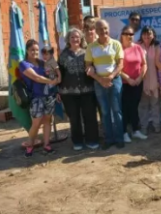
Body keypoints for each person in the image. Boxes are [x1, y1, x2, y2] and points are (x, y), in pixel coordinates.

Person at [85, 19, 125, 150]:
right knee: (105, 112)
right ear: (96, 31)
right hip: (99, 82)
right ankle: (109, 139)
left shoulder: (116, 44)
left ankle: (119, 138)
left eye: (105, 28)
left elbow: (120, 64)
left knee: (117, 110)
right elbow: (88, 67)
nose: (103, 31)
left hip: (115, 81)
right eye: (100, 29)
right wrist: (100, 79)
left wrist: (111, 77)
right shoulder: (91, 47)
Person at [58, 28, 99, 151]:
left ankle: (92, 140)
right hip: (68, 93)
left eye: (77, 37)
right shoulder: (63, 55)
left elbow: (93, 68)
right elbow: (59, 74)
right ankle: (77, 141)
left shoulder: (87, 52)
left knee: (90, 116)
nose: (75, 39)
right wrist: (57, 90)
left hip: (88, 91)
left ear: (81, 39)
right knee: (74, 118)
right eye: (72, 37)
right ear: (68, 40)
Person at [19, 39, 58, 157]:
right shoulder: (24, 64)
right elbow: (36, 78)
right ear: (27, 50)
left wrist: (56, 74)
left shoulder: (42, 62)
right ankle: (30, 146)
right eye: (32, 50)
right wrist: (52, 81)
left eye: (36, 50)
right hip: (36, 97)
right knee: (36, 123)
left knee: (47, 121)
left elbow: (53, 73)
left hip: (48, 96)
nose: (35, 52)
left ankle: (46, 145)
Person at [119, 25, 148, 142]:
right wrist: (128, 79)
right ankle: (124, 132)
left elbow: (144, 64)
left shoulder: (138, 48)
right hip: (124, 83)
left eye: (131, 34)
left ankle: (135, 130)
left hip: (137, 83)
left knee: (134, 107)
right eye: (126, 34)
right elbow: (116, 67)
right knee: (125, 108)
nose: (129, 36)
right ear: (122, 35)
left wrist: (140, 78)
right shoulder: (118, 48)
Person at [138, 26, 161, 134]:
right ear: (142, 35)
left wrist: (158, 81)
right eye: (145, 34)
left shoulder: (157, 46)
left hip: (155, 79)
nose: (147, 36)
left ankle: (157, 125)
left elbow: (159, 65)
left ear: (153, 35)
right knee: (143, 105)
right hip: (141, 80)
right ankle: (144, 127)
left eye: (149, 34)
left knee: (155, 104)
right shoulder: (137, 46)